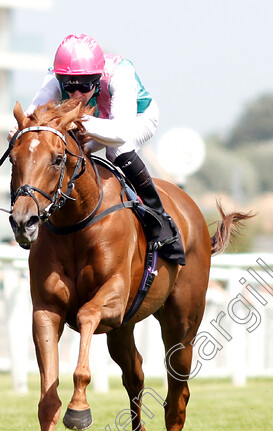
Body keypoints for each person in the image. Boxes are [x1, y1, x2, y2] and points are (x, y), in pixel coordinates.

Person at [20, 33, 184, 265]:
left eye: (85, 86)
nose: (77, 94)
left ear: (97, 78)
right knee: (70, 149)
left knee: (116, 151)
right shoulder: (55, 76)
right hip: (97, 119)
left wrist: (71, 118)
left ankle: (160, 220)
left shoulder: (120, 74)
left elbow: (120, 133)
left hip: (136, 118)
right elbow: (31, 116)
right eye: (68, 87)